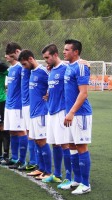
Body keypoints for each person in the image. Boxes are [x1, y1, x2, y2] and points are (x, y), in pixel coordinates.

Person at [40, 44, 72, 188]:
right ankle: (57, 175)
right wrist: (48, 95)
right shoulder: (51, 70)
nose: (46, 60)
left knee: (65, 144)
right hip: (51, 110)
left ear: (55, 55)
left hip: (61, 110)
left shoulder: (65, 68)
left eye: (47, 57)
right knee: (55, 143)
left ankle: (69, 177)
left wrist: (86, 63)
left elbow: (80, 68)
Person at [63, 39, 92, 195]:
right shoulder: (69, 66)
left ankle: (86, 184)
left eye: (67, 50)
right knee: (72, 146)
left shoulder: (81, 67)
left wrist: (72, 112)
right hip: (70, 114)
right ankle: (77, 180)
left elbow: (84, 93)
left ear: (75, 52)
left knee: (81, 147)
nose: (64, 52)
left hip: (80, 114)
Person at [18, 50, 52, 180]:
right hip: (33, 113)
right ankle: (41, 168)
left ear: (31, 59)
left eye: (25, 64)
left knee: (42, 141)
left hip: (41, 112)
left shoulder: (43, 71)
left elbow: (57, 82)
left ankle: (48, 171)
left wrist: (49, 93)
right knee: (37, 141)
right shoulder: (32, 71)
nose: (24, 67)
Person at [1, 42, 28, 170]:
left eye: (11, 55)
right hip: (9, 105)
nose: (8, 57)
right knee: (12, 130)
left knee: (21, 130)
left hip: (18, 105)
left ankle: (22, 160)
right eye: (7, 55)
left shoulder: (21, 68)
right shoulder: (10, 69)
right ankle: (14, 157)